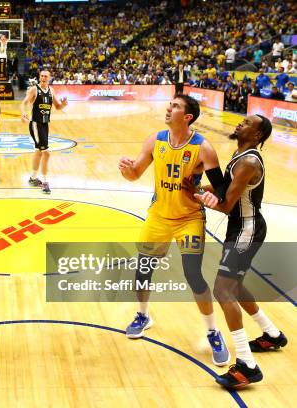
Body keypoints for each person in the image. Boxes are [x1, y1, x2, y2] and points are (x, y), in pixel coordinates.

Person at [118, 94, 230, 366]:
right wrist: (127, 171)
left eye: (175, 107)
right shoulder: (155, 140)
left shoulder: (204, 148)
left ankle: (213, 332)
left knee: (193, 274)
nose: (169, 109)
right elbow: (135, 174)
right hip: (159, 216)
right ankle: (143, 315)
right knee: (143, 269)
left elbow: (223, 187)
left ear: (187, 116)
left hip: (189, 218)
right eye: (170, 105)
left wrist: (201, 191)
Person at [193, 115, 287, 388]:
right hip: (241, 228)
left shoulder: (248, 161)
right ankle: (272, 333)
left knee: (223, 290)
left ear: (257, 135)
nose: (240, 124)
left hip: (247, 230)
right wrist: (199, 187)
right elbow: (224, 187)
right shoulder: (240, 153)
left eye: (247, 123)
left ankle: (247, 365)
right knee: (234, 286)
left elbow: (225, 203)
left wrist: (203, 198)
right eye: (242, 120)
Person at [20, 70, 68, 194]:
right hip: (36, 124)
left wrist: (63, 105)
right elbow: (24, 103)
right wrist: (23, 112)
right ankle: (45, 182)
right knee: (46, 153)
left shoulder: (52, 91)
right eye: (41, 76)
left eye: (46, 76)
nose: (43, 78)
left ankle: (33, 178)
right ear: (39, 77)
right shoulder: (34, 90)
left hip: (45, 125)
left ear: (49, 78)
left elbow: (57, 107)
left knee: (39, 152)